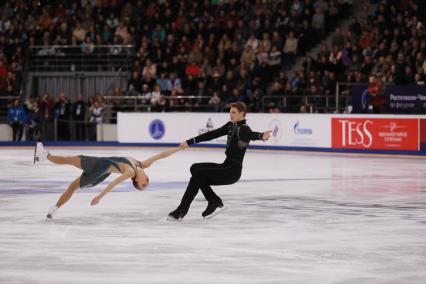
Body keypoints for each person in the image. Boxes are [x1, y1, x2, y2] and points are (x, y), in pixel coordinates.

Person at [168, 102, 272, 220]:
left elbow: (251, 135)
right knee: (195, 169)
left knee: (198, 173)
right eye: (230, 112)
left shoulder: (243, 128)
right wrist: (190, 141)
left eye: (234, 112)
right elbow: (212, 134)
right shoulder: (231, 125)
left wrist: (261, 136)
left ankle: (212, 201)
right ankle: (183, 210)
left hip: (232, 171)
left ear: (242, 113)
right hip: (226, 166)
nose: (230, 115)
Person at [33, 142, 183, 219]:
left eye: (143, 184)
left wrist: (99, 197)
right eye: (147, 183)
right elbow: (162, 154)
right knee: (70, 166)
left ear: (136, 180)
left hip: (98, 168)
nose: (147, 181)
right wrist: (179, 148)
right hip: (100, 163)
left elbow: (113, 183)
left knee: (71, 176)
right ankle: (53, 209)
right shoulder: (142, 164)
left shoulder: (130, 171)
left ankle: (44, 157)